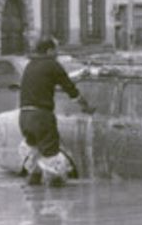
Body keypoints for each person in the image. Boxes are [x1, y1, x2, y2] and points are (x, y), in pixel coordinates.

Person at [18, 36, 92, 186]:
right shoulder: (52, 65)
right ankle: (56, 204)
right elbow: (70, 89)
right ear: (50, 50)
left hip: (24, 117)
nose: (57, 53)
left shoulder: (30, 65)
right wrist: (85, 105)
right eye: (56, 50)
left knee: (35, 158)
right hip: (41, 117)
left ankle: (34, 200)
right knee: (53, 161)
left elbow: (45, 83)